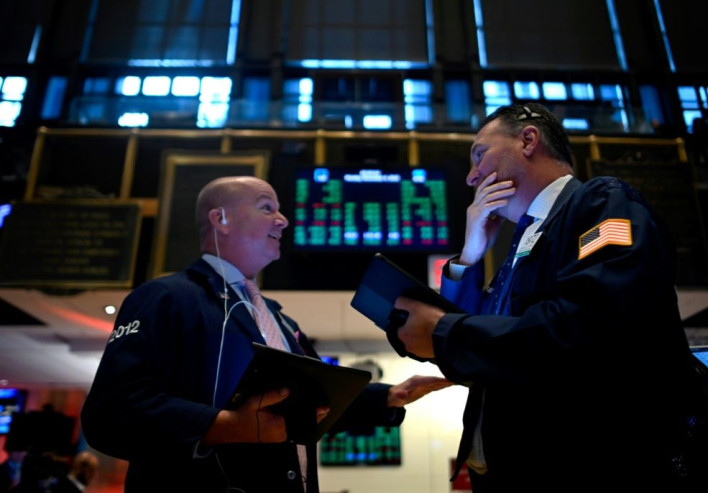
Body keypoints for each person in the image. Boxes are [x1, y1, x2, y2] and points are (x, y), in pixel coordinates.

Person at [390, 102, 708, 489]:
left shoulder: (601, 204)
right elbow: (480, 338)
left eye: (479, 155)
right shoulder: (520, 245)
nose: (472, 177)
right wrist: (469, 257)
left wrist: (447, 334)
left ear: (528, 140)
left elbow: (592, 325)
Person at [81, 175, 450, 493]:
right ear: (220, 218)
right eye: (266, 207)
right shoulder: (166, 297)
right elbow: (112, 414)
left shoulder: (276, 317)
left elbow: (309, 404)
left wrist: (388, 396)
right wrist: (224, 427)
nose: (283, 220)